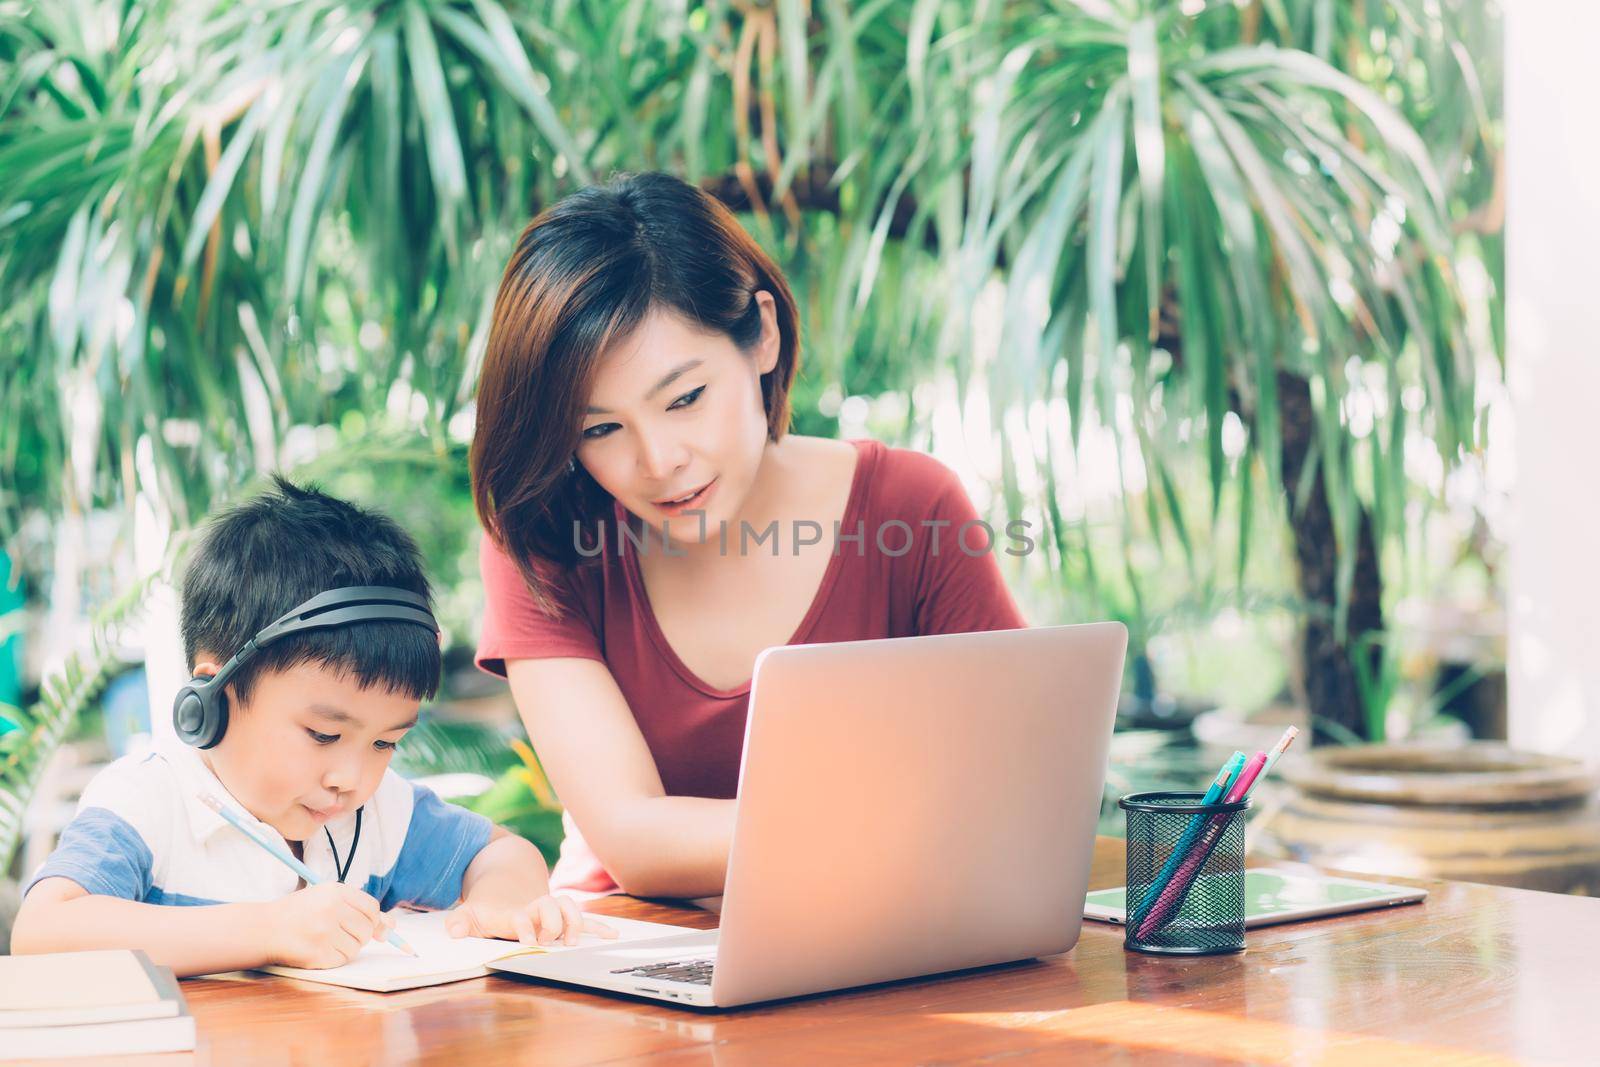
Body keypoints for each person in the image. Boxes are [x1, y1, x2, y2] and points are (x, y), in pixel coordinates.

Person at [471, 171, 1028, 901]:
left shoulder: (913, 510)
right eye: (599, 429)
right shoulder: (541, 537)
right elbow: (634, 840)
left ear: (762, 334)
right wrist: (911, 824)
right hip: (636, 960)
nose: (660, 460)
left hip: (893, 949)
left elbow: (1022, 785)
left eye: (686, 398)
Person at [12, 477, 610, 977]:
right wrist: (269, 929)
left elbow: (506, 856)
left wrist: (497, 908)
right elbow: (43, 932)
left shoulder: (377, 816)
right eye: (324, 735)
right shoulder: (146, 802)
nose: (351, 777)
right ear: (213, 696)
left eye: (385, 743)